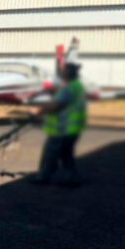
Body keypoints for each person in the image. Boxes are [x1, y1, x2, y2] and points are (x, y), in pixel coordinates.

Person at [29, 54, 87, 186]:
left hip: (62, 129)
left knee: (51, 153)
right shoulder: (77, 86)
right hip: (73, 128)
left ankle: (43, 177)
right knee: (66, 155)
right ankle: (73, 178)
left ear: (68, 74)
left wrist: (38, 110)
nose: (61, 73)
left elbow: (56, 105)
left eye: (63, 71)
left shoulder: (68, 89)